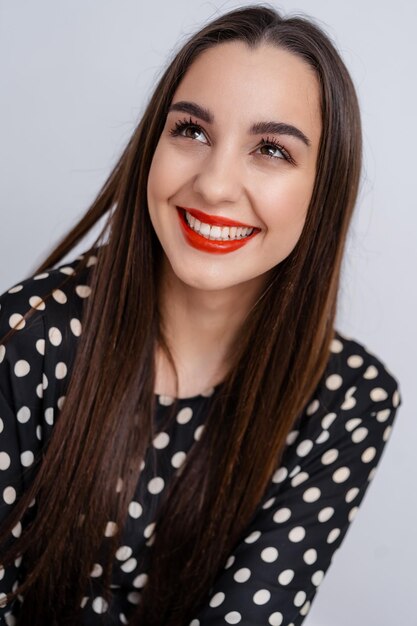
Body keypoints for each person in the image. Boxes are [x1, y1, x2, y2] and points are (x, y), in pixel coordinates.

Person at [0, 5, 401, 625]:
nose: (215, 185)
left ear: (324, 188)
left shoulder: (348, 399)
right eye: (190, 131)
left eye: (271, 149)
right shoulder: (25, 341)